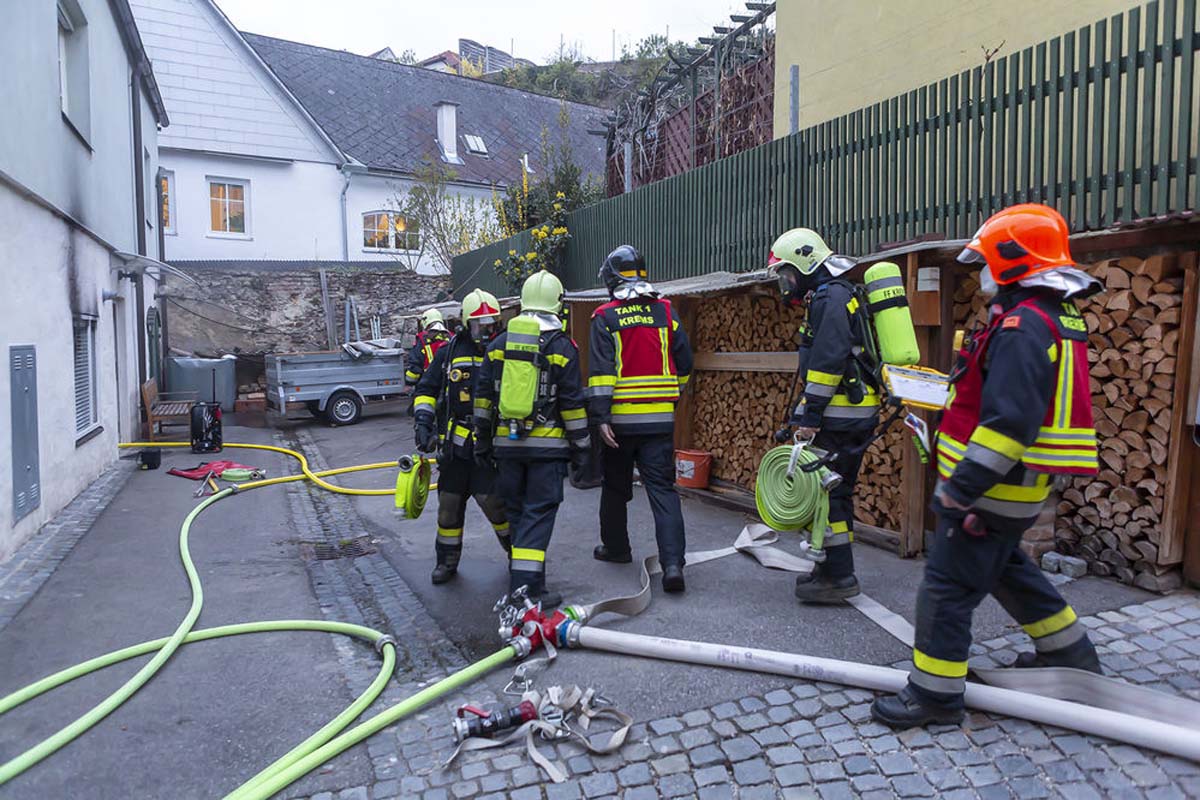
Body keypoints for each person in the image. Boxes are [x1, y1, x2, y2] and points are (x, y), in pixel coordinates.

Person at [871, 204, 1103, 729]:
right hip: (1018, 488)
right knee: (1007, 568)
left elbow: (1008, 424)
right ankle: (1070, 654)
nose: (981, 274)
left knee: (947, 588)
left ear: (1013, 260)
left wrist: (961, 489)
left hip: (991, 489)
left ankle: (934, 695)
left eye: (987, 262)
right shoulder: (1054, 316)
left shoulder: (1023, 327)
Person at [768, 228, 878, 603]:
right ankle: (831, 568)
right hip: (848, 413)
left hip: (839, 416)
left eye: (787, 272)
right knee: (835, 494)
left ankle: (838, 576)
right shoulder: (836, 294)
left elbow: (828, 363)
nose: (785, 282)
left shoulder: (831, 298)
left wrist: (810, 416)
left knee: (828, 496)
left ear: (804, 263)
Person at [474, 271, 590, 608]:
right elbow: (572, 406)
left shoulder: (498, 345)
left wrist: (482, 441)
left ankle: (526, 583)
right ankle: (525, 592)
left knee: (519, 515)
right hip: (547, 451)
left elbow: (483, 399)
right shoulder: (563, 348)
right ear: (557, 304)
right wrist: (582, 448)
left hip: (505, 449)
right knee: (538, 516)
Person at [588, 245, 693, 593]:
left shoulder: (605, 316)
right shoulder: (666, 311)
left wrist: (601, 417)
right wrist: (671, 397)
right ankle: (673, 564)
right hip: (660, 421)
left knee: (616, 488)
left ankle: (616, 549)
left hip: (618, 423)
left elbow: (602, 373)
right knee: (663, 491)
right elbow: (685, 363)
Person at [412, 291, 510, 585]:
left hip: (487, 447)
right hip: (454, 449)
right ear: (467, 324)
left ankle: (518, 555)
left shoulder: (505, 351)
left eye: (492, 325)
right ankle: (447, 561)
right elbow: (427, 390)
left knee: (495, 506)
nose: (487, 332)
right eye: (480, 326)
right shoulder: (449, 353)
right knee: (449, 508)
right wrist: (423, 422)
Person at [405, 308, 450, 387]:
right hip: (450, 383)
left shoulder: (422, 339)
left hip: (429, 384)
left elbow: (416, 365)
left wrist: (409, 382)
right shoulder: (452, 337)